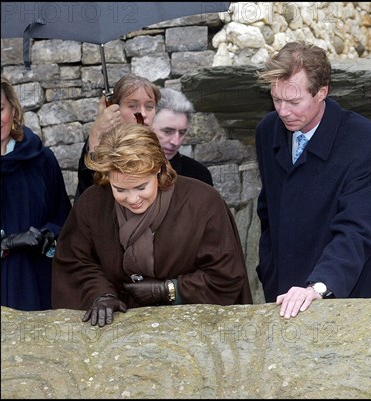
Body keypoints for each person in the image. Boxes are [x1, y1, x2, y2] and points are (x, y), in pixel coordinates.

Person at [52, 123, 252, 327]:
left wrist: (169, 290)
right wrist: (100, 295)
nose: (132, 199)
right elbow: (75, 262)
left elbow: (226, 274)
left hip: (190, 325)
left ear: (158, 168)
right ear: (107, 177)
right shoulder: (92, 203)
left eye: (141, 187)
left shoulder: (203, 203)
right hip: (118, 328)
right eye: (120, 189)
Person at [254, 42, 371, 319]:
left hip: (347, 298)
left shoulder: (367, 142)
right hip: (284, 296)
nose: (282, 111)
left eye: (294, 102)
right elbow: (268, 210)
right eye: (276, 99)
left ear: (322, 93)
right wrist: (269, 272)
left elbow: (357, 230)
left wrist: (319, 285)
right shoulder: (267, 131)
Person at [1, 75, 72, 311]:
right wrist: (7, 242)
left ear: (12, 108)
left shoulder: (41, 159)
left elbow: (63, 217)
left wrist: (48, 235)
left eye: (0, 108)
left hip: (38, 281)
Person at [75, 73, 160, 200]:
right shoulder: (103, 147)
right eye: (132, 106)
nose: (142, 113)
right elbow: (92, 193)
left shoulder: (161, 148)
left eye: (149, 106)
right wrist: (96, 133)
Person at [153, 88, 213, 186]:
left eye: (182, 133)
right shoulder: (123, 167)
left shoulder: (198, 174)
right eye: (167, 131)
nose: (176, 142)